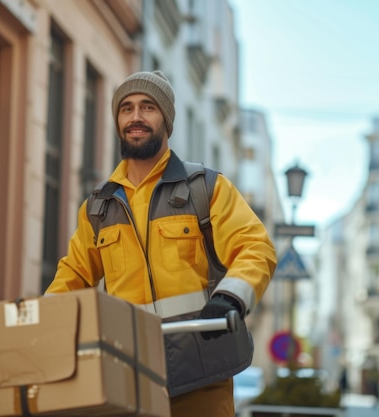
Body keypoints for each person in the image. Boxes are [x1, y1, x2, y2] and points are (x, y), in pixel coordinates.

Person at [45, 70, 277, 417]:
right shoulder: (98, 208)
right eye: (126, 108)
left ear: (166, 122)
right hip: (128, 377)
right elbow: (72, 276)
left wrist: (229, 297)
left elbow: (255, 247)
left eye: (148, 107)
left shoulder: (207, 189)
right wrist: (41, 323)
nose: (135, 117)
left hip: (202, 374)